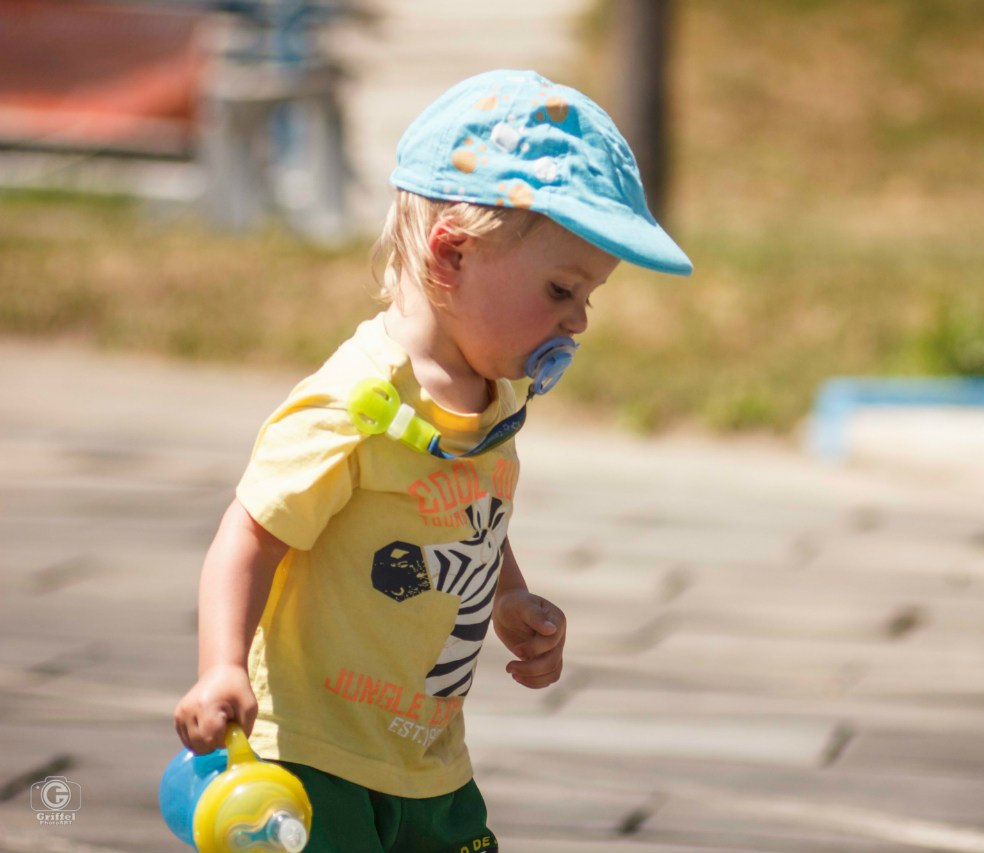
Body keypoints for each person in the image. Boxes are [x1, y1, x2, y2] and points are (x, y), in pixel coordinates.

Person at [172, 69, 692, 853]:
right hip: (318, 757)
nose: (578, 320)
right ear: (452, 255)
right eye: (560, 288)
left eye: (589, 295)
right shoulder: (352, 405)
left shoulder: (495, 398)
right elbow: (247, 536)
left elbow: (470, 511)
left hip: (427, 758)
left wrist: (508, 598)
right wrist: (220, 667)